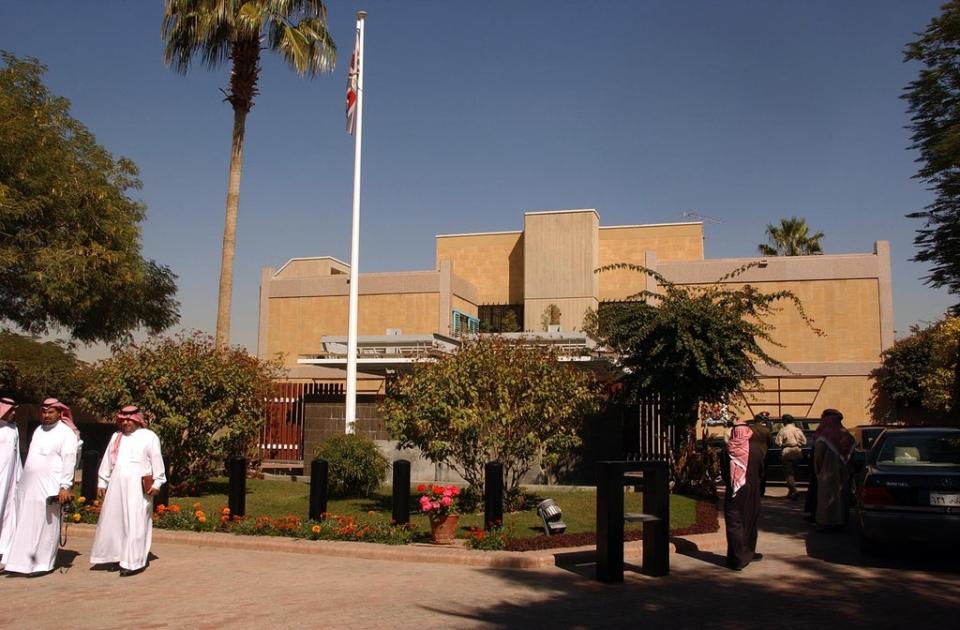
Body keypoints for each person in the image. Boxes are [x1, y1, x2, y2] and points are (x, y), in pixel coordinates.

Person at [2, 398, 79, 575]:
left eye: (50, 412)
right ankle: (20, 564)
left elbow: (69, 461)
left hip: (50, 486)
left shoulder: (66, 434)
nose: (46, 415)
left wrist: (65, 486)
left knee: (46, 525)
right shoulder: (38, 430)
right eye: (44, 412)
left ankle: (42, 564)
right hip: (29, 486)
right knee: (25, 524)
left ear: (59, 413)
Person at [90, 405, 166, 576]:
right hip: (116, 484)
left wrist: (157, 483)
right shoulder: (116, 437)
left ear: (137, 419)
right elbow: (108, 461)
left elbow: (156, 460)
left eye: (129, 419)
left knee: (135, 520)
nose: (126, 422)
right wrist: (102, 482)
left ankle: (134, 562)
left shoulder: (149, 436)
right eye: (123, 419)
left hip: (138, 486)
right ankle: (118, 557)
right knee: (115, 520)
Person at [722, 421, 763, 570]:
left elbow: (724, 473)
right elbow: (761, 471)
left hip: (734, 491)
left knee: (734, 524)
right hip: (752, 490)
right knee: (750, 521)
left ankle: (736, 558)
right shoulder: (756, 450)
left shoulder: (726, 451)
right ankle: (748, 553)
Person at [812, 408, 854, 531]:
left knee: (827, 499)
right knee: (842, 498)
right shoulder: (847, 435)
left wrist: (817, 471)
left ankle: (827, 523)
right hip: (844, 474)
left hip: (827, 474)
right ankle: (841, 522)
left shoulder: (824, 436)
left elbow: (818, 458)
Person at [0, 398, 22, 559]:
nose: (13, 413)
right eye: (10, 410)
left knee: (8, 510)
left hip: (10, 478)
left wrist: (20, 476)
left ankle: (4, 547)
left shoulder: (14, 429)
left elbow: (17, 455)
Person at [775, 414, 806, 500]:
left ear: (785, 421)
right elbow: (804, 442)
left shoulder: (783, 430)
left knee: (788, 474)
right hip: (797, 452)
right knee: (794, 473)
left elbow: (778, 443)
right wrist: (797, 444)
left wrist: (786, 444)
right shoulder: (797, 429)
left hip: (787, 452)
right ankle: (790, 492)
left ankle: (795, 491)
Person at [748, 415, 771, 496]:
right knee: (763, 473)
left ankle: (752, 490)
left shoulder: (749, 429)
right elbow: (770, 443)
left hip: (751, 453)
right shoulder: (766, 430)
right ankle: (761, 491)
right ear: (762, 421)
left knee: (752, 472)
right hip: (763, 453)